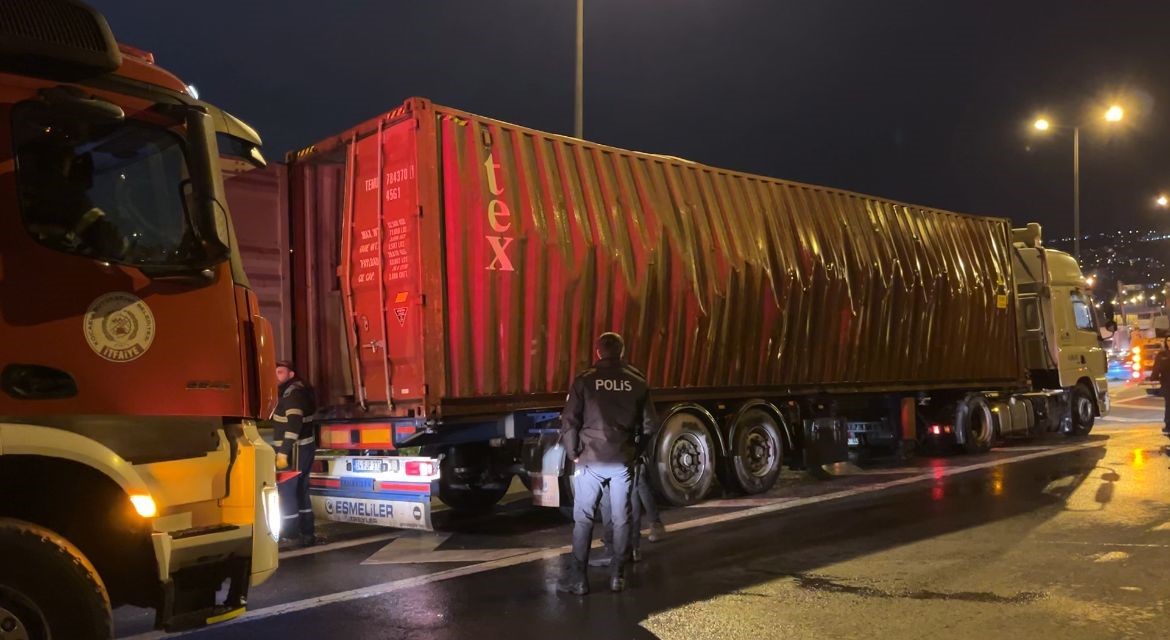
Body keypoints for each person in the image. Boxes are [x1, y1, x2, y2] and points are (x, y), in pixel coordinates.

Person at [557, 332, 658, 595]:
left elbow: (569, 421)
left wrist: (573, 453)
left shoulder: (585, 380)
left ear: (598, 351)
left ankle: (578, 580)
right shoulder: (637, 381)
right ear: (622, 352)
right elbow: (649, 425)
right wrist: (635, 452)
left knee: (584, 519)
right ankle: (618, 576)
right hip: (621, 460)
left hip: (590, 460)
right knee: (621, 517)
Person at [274, 360, 321, 546]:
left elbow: (294, 424)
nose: (276, 375)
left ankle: (290, 534)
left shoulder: (292, 394)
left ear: (291, 374)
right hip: (302, 448)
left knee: (287, 492)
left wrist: (283, 452)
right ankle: (306, 533)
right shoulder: (296, 391)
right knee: (300, 491)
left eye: (280, 372)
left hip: (295, 450)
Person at [1150, 339, 1170, 437]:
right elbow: (1157, 367)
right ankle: (1168, 425)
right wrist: (1153, 377)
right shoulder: (1162, 355)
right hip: (1167, 383)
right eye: (1169, 340)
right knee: (1169, 404)